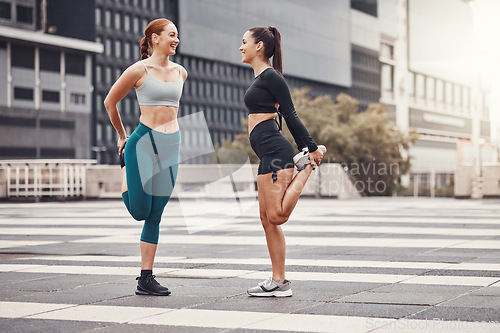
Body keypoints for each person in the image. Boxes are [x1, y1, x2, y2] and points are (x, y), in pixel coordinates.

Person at [239, 26, 326, 297]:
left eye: (244, 42)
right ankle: (279, 281)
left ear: (259, 46)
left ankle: (307, 166)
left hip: (276, 152)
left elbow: (290, 114)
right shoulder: (260, 79)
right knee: (266, 219)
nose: (240, 47)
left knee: (277, 215)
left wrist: (310, 148)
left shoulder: (271, 76)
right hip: (266, 154)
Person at [104, 18, 187, 296]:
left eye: (177, 35)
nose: (176, 39)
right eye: (171, 34)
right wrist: (121, 135)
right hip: (142, 142)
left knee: (156, 213)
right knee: (140, 211)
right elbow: (109, 101)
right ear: (154, 38)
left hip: (170, 143)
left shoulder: (181, 72)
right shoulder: (139, 70)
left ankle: (146, 278)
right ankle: (126, 171)